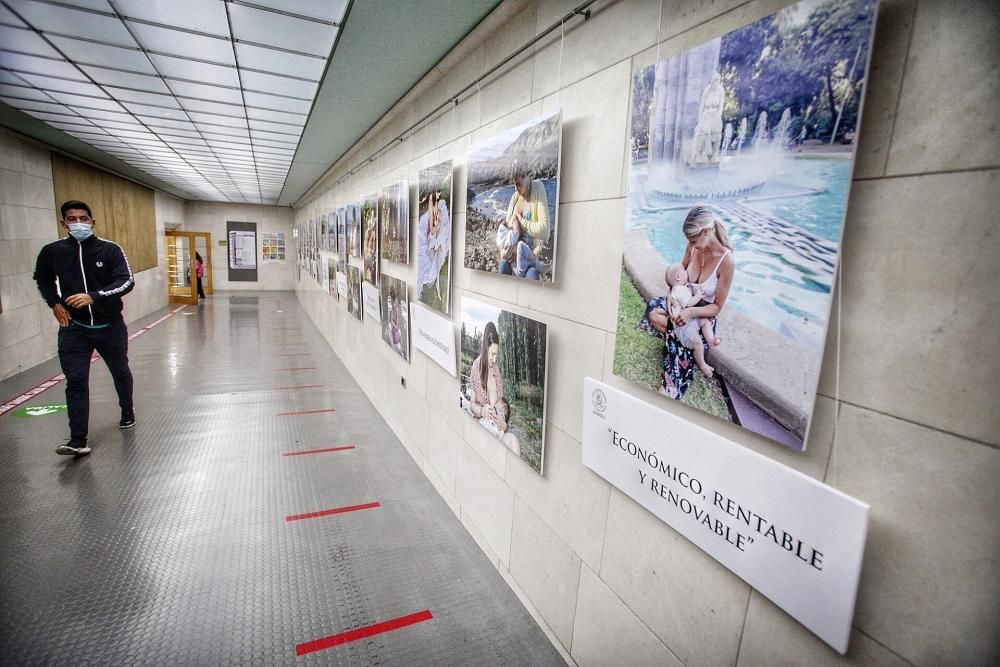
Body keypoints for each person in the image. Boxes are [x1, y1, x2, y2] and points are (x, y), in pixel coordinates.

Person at [33, 200, 136, 456]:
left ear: (92, 221)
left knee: (120, 371)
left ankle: (127, 409)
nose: (78, 223)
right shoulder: (52, 251)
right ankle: (78, 440)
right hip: (74, 328)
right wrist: (54, 304)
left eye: (83, 218)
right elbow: (42, 279)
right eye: (72, 219)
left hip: (109, 325)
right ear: (63, 223)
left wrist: (96, 296)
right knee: (76, 380)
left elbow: (126, 281)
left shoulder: (110, 250)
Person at [643, 205, 734, 398]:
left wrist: (690, 313)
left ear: (707, 232)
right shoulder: (693, 246)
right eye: (689, 242)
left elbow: (716, 307)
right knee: (654, 311)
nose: (691, 246)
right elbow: (677, 279)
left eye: (694, 240)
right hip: (681, 304)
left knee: (680, 331)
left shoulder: (726, 261)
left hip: (702, 317)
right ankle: (679, 339)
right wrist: (671, 304)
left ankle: (674, 373)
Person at [468, 322, 521, 455]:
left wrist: (504, 425)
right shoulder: (475, 369)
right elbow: (472, 404)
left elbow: (502, 404)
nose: (494, 359)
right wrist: (482, 410)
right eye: (492, 354)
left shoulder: (496, 371)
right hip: (482, 428)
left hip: (497, 430)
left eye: (496, 354)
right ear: (485, 348)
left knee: (513, 440)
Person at [664, 263, 720, 378]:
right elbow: (688, 304)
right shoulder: (679, 290)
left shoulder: (680, 289)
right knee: (698, 343)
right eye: (684, 270)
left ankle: (711, 340)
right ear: (678, 277)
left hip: (689, 321)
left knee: (704, 320)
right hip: (684, 328)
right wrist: (698, 296)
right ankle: (702, 364)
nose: (687, 272)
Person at [497, 167, 551, 280]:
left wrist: (522, 222)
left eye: (518, 184)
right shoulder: (514, 198)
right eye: (514, 185)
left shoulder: (538, 188)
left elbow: (545, 231)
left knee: (533, 276)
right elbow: (505, 235)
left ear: (525, 174)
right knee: (502, 265)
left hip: (529, 261)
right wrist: (503, 252)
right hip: (512, 260)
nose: (516, 189)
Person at [416, 190, 451, 302]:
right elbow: (432, 229)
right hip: (432, 238)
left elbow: (435, 229)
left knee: (433, 252)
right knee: (432, 251)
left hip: (433, 239)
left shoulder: (437, 212)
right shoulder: (434, 217)